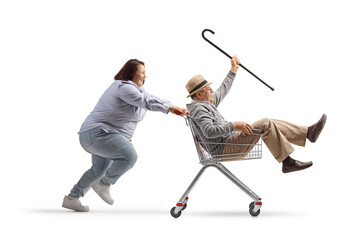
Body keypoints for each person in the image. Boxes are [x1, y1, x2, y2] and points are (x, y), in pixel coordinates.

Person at [62, 59, 188, 212]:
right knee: (129, 157)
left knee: (98, 170)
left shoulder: (138, 89)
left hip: (101, 135)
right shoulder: (124, 87)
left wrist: (171, 106)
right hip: (97, 134)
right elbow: (146, 101)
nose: (145, 76)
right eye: (142, 72)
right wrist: (170, 108)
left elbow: (151, 98)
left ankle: (72, 198)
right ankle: (104, 184)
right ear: (131, 72)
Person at [185, 55, 326, 173]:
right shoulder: (199, 109)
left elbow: (223, 89)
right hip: (225, 148)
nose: (212, 91)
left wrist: (233, 70)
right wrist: (233, 125)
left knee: (269, 123)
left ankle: (306, 135)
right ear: (199, 94)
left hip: (229, 142)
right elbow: (209, 132)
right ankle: (290, 157)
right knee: (265, 123)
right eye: (208, 89)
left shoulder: (207, 104)